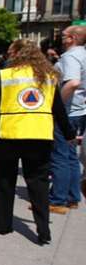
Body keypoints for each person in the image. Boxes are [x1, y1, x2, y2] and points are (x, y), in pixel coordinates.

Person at [0, 39, 75, 244]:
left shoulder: (6, 76)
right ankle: (43, 231)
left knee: (5, 181)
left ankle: (3, 225)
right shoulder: (48, 77)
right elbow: (58, 109)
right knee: (38, 183)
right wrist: (68, 133)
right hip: (39, 135)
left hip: (10, 134)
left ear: (15, 54)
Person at [50, 25, 85, 209]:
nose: (60, 38)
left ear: (71, 38)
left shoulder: (71, 56)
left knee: (60, 155)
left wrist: (58, 106)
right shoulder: (83, 55)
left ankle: (58, 199)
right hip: (78, 110)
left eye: (63, 36)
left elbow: (73, 82)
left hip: (69, 112)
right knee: (71, 155)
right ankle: (72, 196)